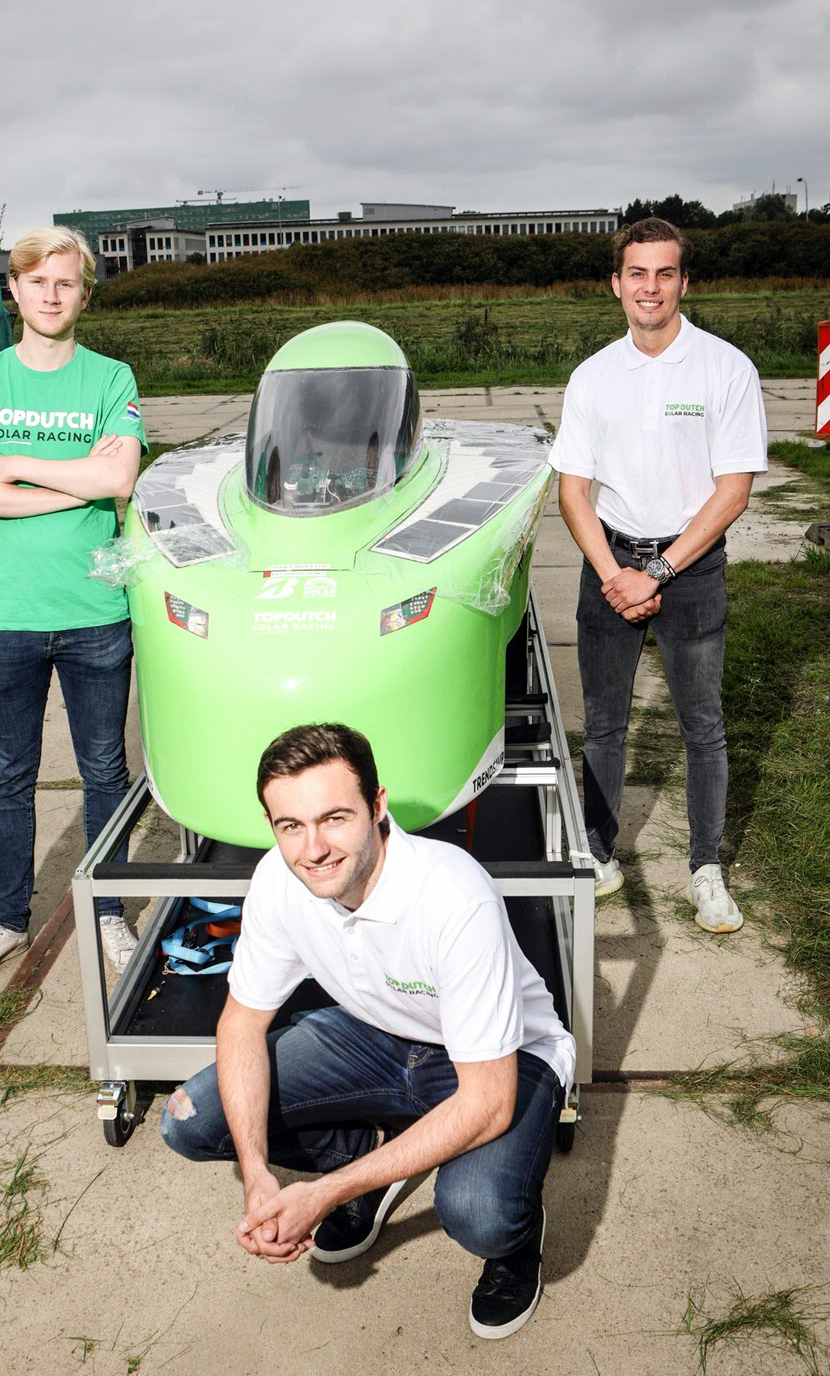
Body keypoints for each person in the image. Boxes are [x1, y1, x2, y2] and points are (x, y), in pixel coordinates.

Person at [161, 723, 575, 1341]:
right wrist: (255, 1174)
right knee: (190, 1119)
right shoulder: (280, 878)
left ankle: (516, 1239)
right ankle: (367, 1155)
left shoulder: (453, 897)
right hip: (377, 1037)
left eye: (334, 818)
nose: (313, 849)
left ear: (378, 806)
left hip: (505, 1059)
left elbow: (487, 1103)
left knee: (479, 1213)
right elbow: (240, 1026)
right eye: (290, 826)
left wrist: (322, 1194)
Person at [549, 218, 767, 933]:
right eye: (636, 274)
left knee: (701, 726)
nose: (650, 288)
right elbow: (572, 491)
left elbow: (731, 490)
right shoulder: (592, 375)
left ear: (683, 282)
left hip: (690, 566)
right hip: (608, 564)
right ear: (616, 284)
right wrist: (615, 573)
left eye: (664, 273)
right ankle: (599, 855)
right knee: (604, 725)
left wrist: (660, 571)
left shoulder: (724, 368)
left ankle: (706, 869)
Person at [0, 227, 148, 982]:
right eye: (38, 283)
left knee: (103, 771)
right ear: (15, 291)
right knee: (9, 775)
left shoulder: (110, 377)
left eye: (66, 283)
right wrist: (74, 480)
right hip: (6, 615)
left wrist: (21, 468)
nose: (51, 295)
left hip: (95, 611)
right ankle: (4, 920)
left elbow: (119, 483)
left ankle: (108, 915)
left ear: (84, 294)